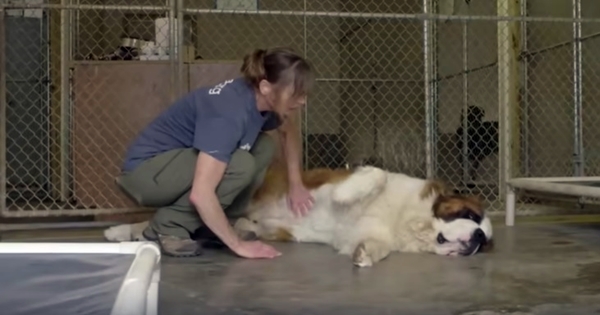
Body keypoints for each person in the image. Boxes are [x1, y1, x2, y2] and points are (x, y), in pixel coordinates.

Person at [116, 47, 315, 259]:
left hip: (170, 168)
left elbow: (288, 129)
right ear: (266, 87)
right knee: (240, 163)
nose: (303, 101)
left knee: (263, 146)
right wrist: (237, 245)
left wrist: (296, 183)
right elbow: (201, 193)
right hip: (145, 175)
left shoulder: (261, 101)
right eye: (296, 93)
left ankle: (214, 227)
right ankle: (168, 226)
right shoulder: (229, 112)